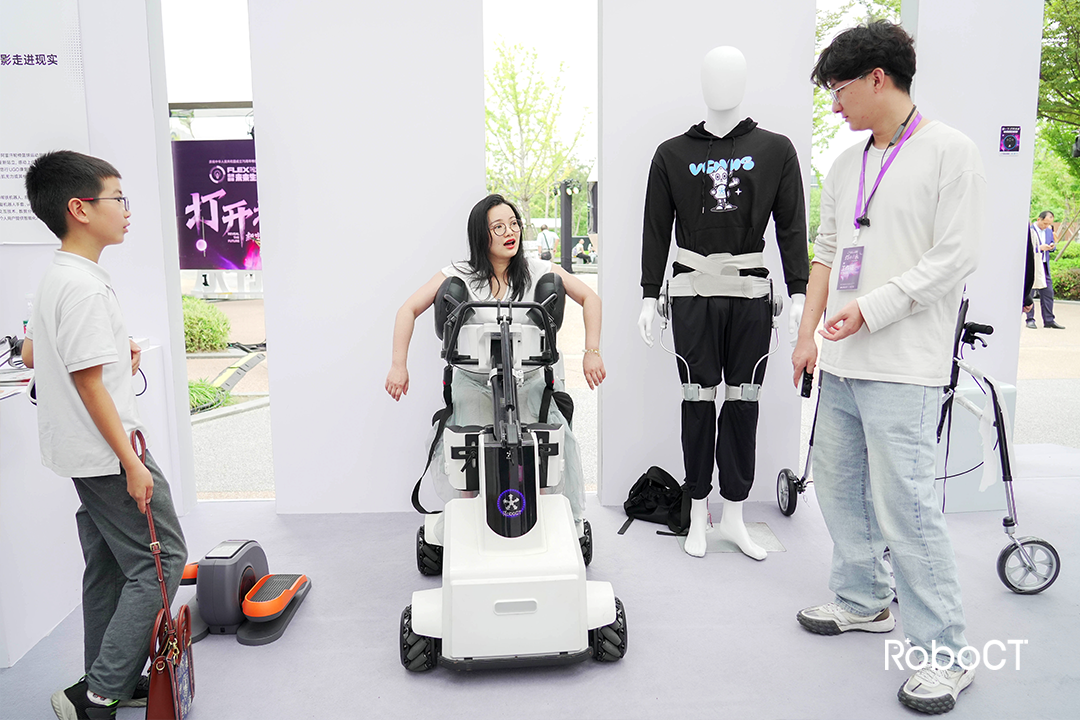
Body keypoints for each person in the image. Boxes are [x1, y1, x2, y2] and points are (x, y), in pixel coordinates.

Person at [793, 22, 985, 714]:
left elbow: (954, 259)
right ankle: (864, 599)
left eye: (839, 89)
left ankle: (947, 654)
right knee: (839, 489)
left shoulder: (951, 152)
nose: (834, 104)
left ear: (878, 77)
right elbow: (826, 251)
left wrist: (871, 309)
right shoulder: (846, 164)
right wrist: (807, 334)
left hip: (905, 365)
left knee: (907, 509)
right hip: (841, 360)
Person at [22, 151, 187, 720]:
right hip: (109, 455)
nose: (127, 210)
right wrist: (132, 463)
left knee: (111, 566)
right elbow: (90, 385)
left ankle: (102, 680)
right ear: (80, 208)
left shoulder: (60, 276)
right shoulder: (85, 288)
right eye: (118, 198)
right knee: (161, 562)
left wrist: (119, 349)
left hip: (78, 453)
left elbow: (34, 353)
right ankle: (99, 695)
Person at [637, 46, 809, 560]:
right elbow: (655, 230)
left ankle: (734, 513)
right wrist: (649, 294)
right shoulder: (671, 154)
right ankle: (697, 511)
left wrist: (799, 291)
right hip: (692, 293)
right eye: (713, 74)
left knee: (742, 403)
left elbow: (791, 226)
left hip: (751, 293)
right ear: (702, 82)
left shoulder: (776, 150)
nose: (722, 83)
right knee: (697, 401)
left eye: (732, 74)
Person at [385, 193, 605, 531]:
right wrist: (398, 365)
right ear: (480, 234)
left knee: (548, 449)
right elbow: (407, 310)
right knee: (468, 452)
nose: (510, 232)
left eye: (513, 224)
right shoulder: (459, 274)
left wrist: (592, 351)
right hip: (474, 382)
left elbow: (590, 297)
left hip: (529, 380)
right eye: (498, 227)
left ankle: (551, 526)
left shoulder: (538, 270)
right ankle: (470, 526)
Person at [1025, 210, 1063, 329]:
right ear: (1039, 219)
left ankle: (1049, 320)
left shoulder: (1048, 231)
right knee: (1030, 292)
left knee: (1048, 293)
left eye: (1049, 224)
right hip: (1033, 265)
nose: (1046, 226)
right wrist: (1039, 248)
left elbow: (1051, 244)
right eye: (1045, 223)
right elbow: (1026, 248)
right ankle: (1030, 319)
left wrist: (1051, 247)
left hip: (1044, 265)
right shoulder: (1030, 231)